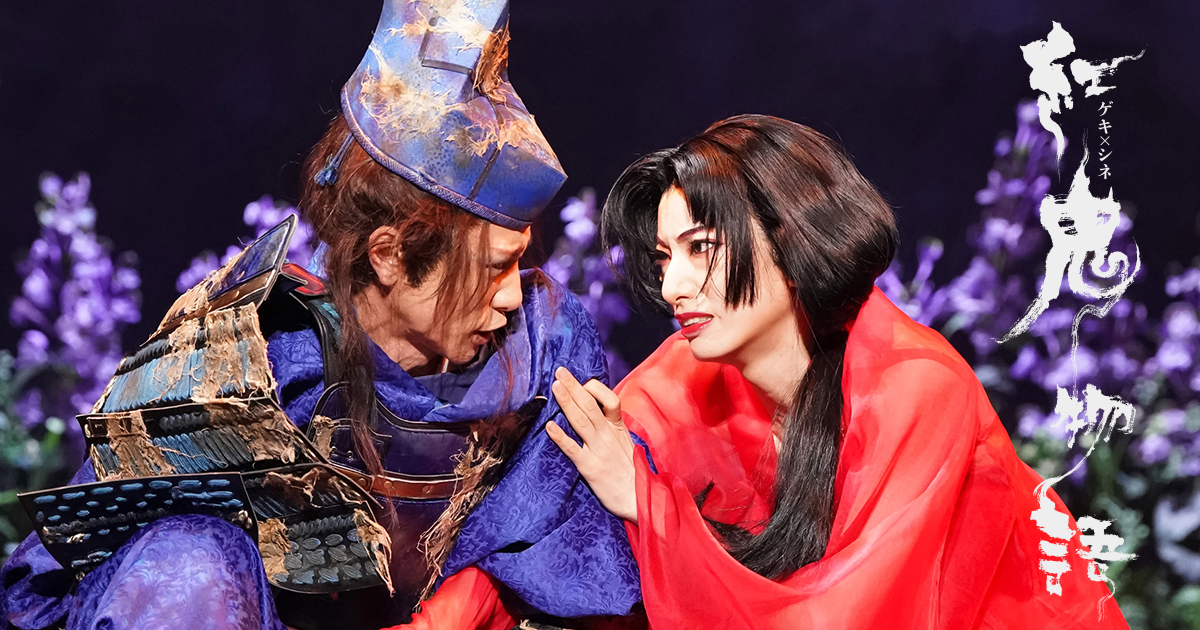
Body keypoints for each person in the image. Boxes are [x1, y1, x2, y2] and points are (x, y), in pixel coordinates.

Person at [1, 2, 641, 629]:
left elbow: (574, 559)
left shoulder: (546, 345)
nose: (510, 296)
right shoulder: (255, 352)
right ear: (389, 255)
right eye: (491, 267)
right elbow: (61, 573)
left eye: (518, 261)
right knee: (189, 559)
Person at [544, 114, 1131, 629]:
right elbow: (563, 496)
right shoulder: (689, 375)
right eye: (664, 257)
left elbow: (851, 619)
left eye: (701, 248)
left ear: (792, 241)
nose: (673, 286)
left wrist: (647, 504)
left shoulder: (916, 385)